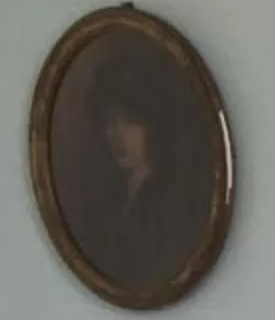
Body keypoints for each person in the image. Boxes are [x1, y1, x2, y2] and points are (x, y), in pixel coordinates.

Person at [57, 36, 202, 294]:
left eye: (131, 122)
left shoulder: (170, 197)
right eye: (111, 123)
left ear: (152, 126)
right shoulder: (108, 196)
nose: (118, 136)